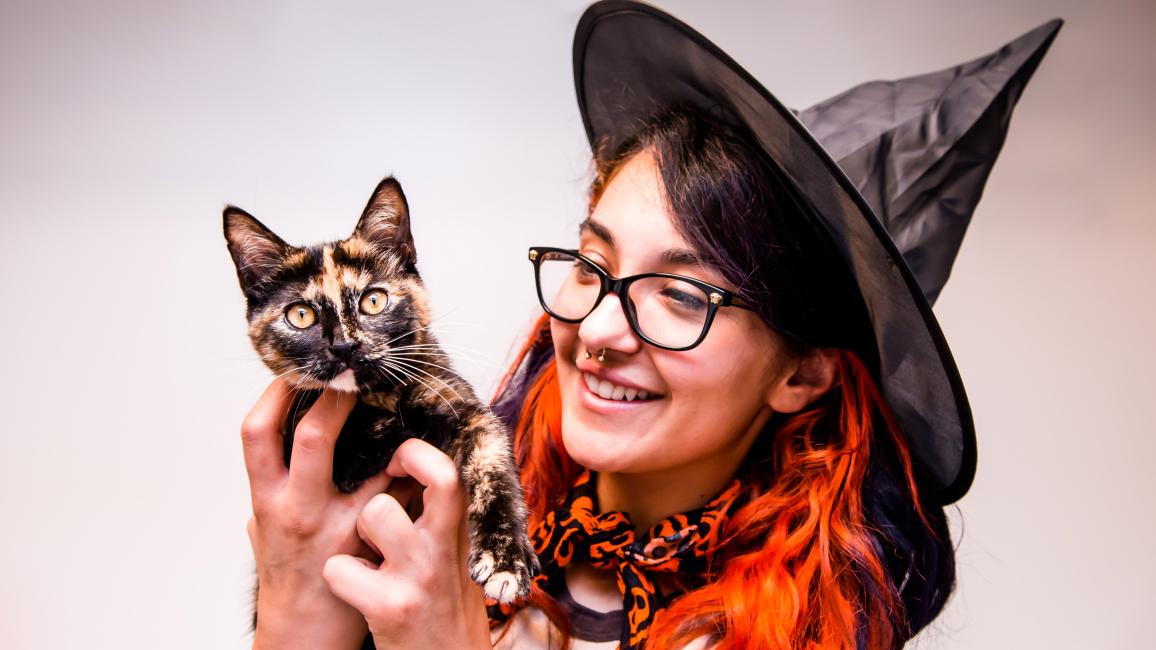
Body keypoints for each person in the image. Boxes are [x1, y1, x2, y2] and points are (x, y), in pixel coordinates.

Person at [239, 2, 1059, 649]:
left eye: (681, 296)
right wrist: (293, 614)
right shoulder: (445, 506)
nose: (598, 328)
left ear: (801, 373)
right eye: (593, 265)